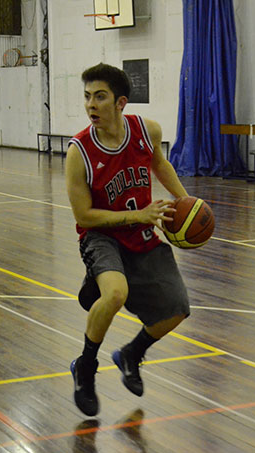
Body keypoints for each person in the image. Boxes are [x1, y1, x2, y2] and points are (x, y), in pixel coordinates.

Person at [65, 63, 191, 416]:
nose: (91, 105)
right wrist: (139, 215)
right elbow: (83, 217)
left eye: (100, 97)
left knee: (177, 308)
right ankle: (86, 367)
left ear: (120, 102)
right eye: (87, 97)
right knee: (116, 294)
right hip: (100, 235)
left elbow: (160, 163)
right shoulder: (79, 152)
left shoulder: (145, 130)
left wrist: (186, 206)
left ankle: (131, 354)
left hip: (142, 232)